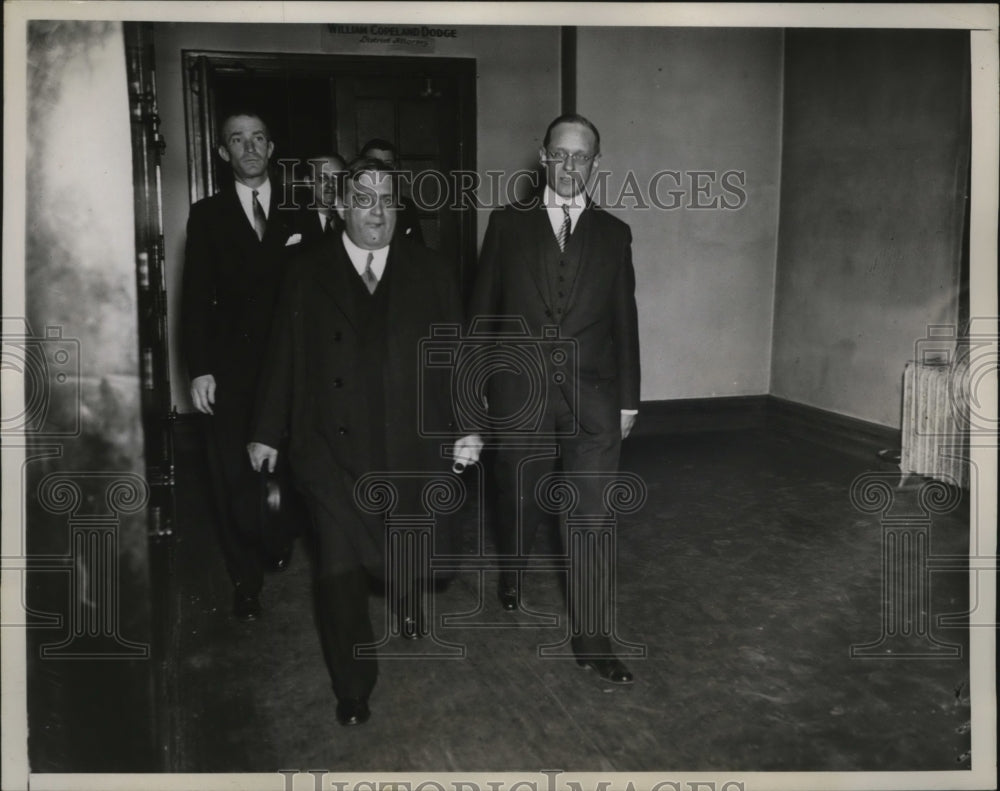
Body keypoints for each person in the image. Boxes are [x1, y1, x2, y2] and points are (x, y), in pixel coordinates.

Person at [248, 158, 483, 727]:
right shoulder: (306, 271)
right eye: (363, 196)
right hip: (328, 448)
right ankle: (353, 686)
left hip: (405, 445)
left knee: (400, 545)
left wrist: (468, 425)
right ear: (342, 207)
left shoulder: (431, 271)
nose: (376, 209)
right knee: (338, 567)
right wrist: (265, 431)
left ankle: (403, 593)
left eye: (386, 198)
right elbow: (283, 354)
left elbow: (457, 358)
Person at [468, 113, 640, 684]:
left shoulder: (614, 233)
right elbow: (480, 320)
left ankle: (594, 641)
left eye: (582, 157)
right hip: (520, 396)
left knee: (591, 520)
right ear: (543, 156)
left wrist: (629, 400)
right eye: (560, 155)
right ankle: (513, 567)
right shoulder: (506, 226)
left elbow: (625, 321)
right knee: (519, 498)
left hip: (593, 399)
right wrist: (474, 403)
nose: (570, 166)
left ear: (597, 163)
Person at [181, 111, 301, 622]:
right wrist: (200, 368)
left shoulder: (303, 209)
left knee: (291, 470)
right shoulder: (206, 215)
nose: (249, 148)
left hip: (291, 368)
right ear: (223, 152)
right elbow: (194, 299)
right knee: (231, 475)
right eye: (237, 140)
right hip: (229, 371)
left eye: (258, 138)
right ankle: (245, 582)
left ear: (271, 147)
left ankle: (277, 537)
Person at [358, 137, 426, 244]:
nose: (380, 169)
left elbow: (418, 251)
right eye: (373, 162)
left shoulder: (405, 207)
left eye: (387, 164)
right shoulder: (350, 202)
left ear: (394, 168)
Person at [292, 152, 347, 243]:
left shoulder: (348, 221)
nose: (330, 184)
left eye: (336, 178)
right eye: (323, 178)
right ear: (309, 182)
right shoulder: (293, 221)